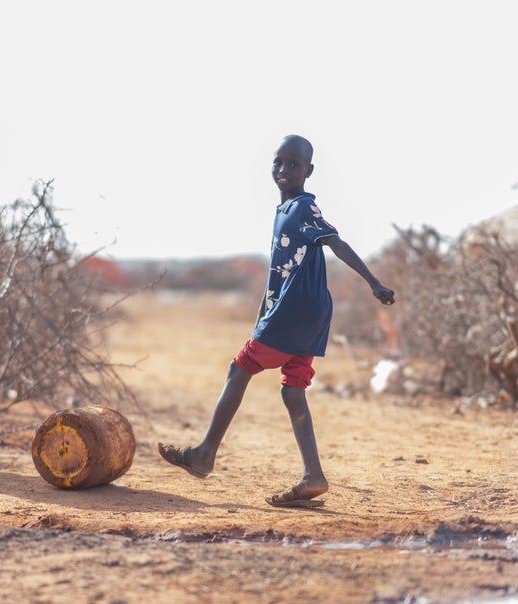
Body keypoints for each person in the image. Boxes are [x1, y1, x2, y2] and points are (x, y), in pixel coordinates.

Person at [158, 134, 395, 507]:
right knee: (293, 390)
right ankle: (313, 476)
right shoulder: (283, 213)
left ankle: (204, 454)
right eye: (278, 162)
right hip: (306, 313)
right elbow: (278, 275)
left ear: (309, 170)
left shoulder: (302, 207)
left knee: (239, 370)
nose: (284, 170)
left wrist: (374, 282)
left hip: (297, 310)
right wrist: (262, 316)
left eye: (294, 165)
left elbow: (336, 242)